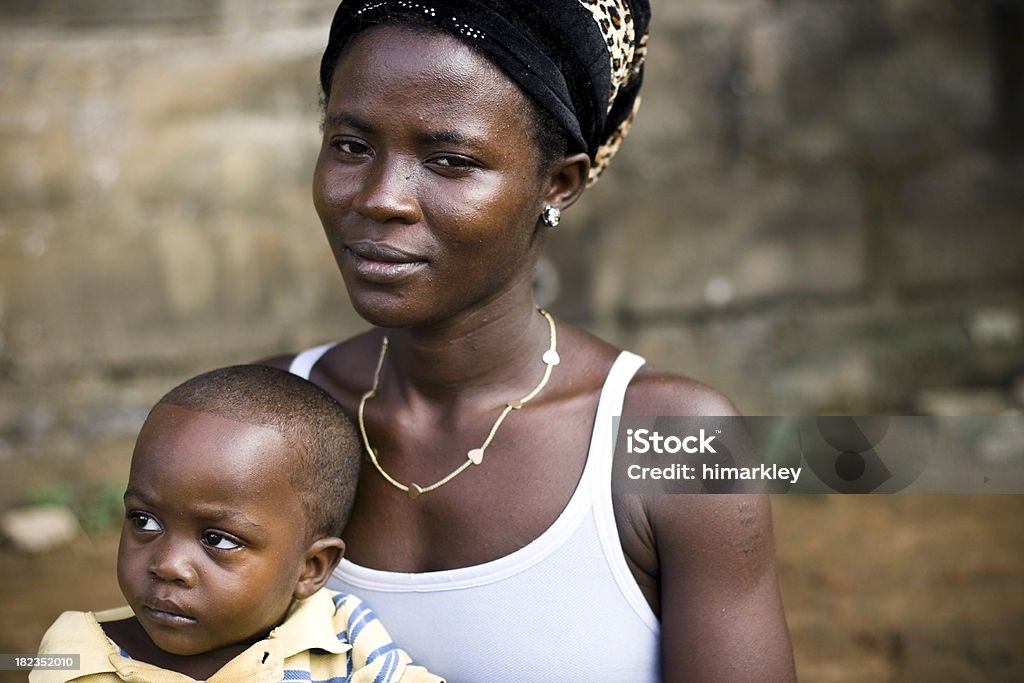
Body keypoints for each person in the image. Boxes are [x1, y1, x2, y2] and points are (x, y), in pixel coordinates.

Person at [267, 1, 797, 680]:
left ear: (559, 182)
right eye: (350, 145)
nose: (380, 197)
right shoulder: (260, 422)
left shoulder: (675, 442)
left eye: (450, 160)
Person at [31, 365, 444, 683]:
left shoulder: (344, 638)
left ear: (311, 568)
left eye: (218, 539)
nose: (168, 564)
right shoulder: (77, 653)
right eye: (145, 520)